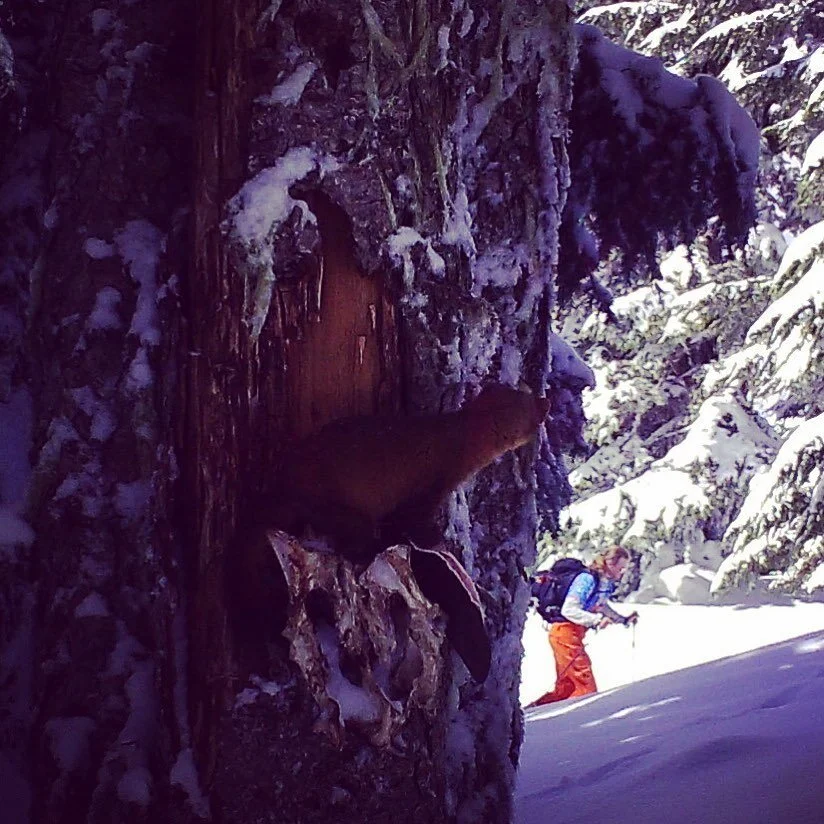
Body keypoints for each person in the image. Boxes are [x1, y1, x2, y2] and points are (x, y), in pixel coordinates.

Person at [527, 546, 639, 707]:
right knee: (585, 686)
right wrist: (596, 620)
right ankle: (584, 715)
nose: (622, 573)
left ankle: (534, 711)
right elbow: (569, 610)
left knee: (567, 687)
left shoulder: (602, 582)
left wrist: (623, 620)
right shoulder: (586, 579)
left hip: (571, 634)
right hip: (564, 633)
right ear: (610, 563)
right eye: (621, 568)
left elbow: (600, 606)